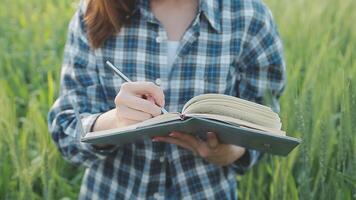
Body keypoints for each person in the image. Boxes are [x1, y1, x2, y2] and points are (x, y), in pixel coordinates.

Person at [48, 0, 286, 199]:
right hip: (113, 190)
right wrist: (114, 122)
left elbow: (266, 122)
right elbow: (67, 130)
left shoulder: (250, 17)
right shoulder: (93, 12)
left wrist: (234, 152)